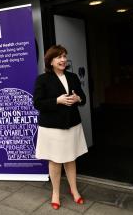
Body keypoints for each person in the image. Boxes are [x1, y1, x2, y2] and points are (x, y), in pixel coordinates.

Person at [33, 45, 88, 210]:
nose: (63, 60)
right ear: (50, 61)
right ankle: (55, 193)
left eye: (64, 56)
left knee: (71, 159)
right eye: (59, 57)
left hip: (72, 125)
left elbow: (83, 99)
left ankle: (74, 190)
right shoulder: (42, 79)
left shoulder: (72, 77)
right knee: (55, 161)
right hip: (52, 128)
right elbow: (37, 103)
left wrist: (78, 98)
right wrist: (57, 101)